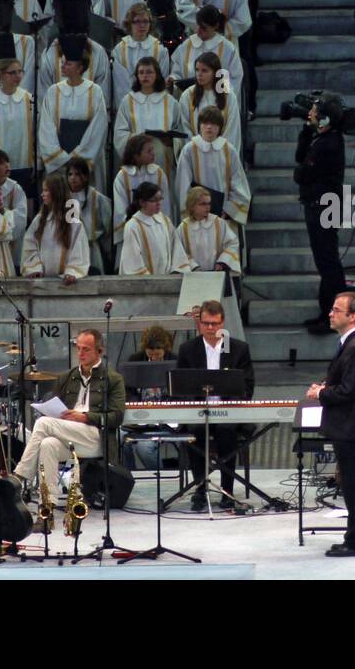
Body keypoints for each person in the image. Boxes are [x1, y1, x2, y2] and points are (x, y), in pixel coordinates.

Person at [12, 329, 126, 511]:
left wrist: (85, 416)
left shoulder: (113, 379)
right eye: (78, 348)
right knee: (47, 444)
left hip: (96, 436)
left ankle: (18, 477)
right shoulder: (68, 377)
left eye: (86, 349)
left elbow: (117, 417)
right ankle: (47, 507)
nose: (80, 353)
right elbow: (56, 406)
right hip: (69, 434)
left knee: (43, 424)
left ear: (99, 351)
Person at [307, 291, 355, 556]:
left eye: (336, 309)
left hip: (349, 425)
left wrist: (320, 394)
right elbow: (347, 384)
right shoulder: (350, 343)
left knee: (354, 483)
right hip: (345, 424)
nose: (330, 313)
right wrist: (325, 386)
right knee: (351, 481)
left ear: (352, 315)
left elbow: (348, 391)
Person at [176, 299, 256, 511]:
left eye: (215, 323)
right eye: (206, 323)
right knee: (194, 431)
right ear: (199, 323)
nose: (210, 328)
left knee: (227, 431)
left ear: (223, 323)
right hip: (198, 412)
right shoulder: (187, 350)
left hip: (228, 413)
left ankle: (226, 490)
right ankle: (200, 487)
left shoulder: (238, 349)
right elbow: (180, 387)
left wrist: (231, 405)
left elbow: (247, 386)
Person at [294, 95, 345, 333]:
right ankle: (328, 312)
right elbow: (299, 158)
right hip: (319, 205)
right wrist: (306, 130)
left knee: (329, 263)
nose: (310, 115)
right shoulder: (322, 138)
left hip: (323, 207)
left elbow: (301, 173)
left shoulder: (328, 143)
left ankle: (336, 315)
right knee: (325, 263)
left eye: (314, 112)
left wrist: (303, 169)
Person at [37, 49, 109, 182]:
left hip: (85, 164)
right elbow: (46, 128)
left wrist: (79, 158)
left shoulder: (95, 91)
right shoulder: (53, 91)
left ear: (80, 67)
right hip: (60, 165)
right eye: (62, 62)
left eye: (67, 64)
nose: (62, 66)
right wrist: (60, 158)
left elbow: (98, 128)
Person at [174, 107, 251, 227]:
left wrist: (228, 209)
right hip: (197, 215)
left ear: (220, 127)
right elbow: (183, 185)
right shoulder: (189, 150)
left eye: (214, 124)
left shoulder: (229, 150)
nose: (209, 127)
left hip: (223, 215)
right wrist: (193, 209)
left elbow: (239, 183)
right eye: (205, 123)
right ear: (199, 125)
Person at [114, 55, 186, 180]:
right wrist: (139, 139)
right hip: (138, 156)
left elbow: (180, 130)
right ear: (136, 75)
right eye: (141, 72)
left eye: (149, 72)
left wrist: (172, 142)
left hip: (163, 158)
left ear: (157, 74)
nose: (144, 76)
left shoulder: (170, 101)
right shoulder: (128, 101)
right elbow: (120, 133)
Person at [170, 5, 245, 123]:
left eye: (204, 28)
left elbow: (234, 78)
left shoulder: (227, 49)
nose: (198, 30)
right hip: (192, 103)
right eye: (198, 25)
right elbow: (177, 70)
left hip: (217, 106)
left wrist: (216, 97)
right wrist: (173, 79)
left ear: (215, 26)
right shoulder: (187, 45)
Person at [22, 173, 88, 283]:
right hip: (42, 282)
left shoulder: (73, 222)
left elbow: (79, 251)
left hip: (66, 284)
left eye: (46, 190)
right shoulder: (39, 220)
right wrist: (34, 268)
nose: (42, 194)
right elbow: (30, 246)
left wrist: (72, 272)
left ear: (57, 192)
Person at [113, 133, 175, 243]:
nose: (153, 154)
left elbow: (165, 206)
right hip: (133, 231)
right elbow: (120, 209)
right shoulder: (123, 176)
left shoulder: (159, 173)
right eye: (149, 151)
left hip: (155, 231)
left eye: (153, 150)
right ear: (136, 155)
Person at [110, 3, 172, 112]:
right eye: (137, 21)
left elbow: (161, 81)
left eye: (145, 21)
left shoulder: (160, 50)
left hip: (153, 107)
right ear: (130, 24)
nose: (142, 25)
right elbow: (121, 85)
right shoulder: (119, 50)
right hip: (128, 108)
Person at [180, 51, 243, 156]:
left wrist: (219, 149)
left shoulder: (228, 96)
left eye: (204, 70)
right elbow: (184, 126)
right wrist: (197, 147)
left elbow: (232, 128)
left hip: (221, 153)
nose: (199, 74)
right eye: (197, 70)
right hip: (196, 152)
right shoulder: (187, 95)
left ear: (215, 72)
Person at [118, 182, 188, 276]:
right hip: (145, 284)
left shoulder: (164, 220)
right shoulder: (133, 226)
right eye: (154, 200)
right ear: (142, 202)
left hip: (167, 280)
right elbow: (132, 259)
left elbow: (176, 247)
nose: (159, 203)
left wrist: (176, 270)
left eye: (160, 199)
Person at [175, 185, 241, 275]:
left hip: (217, 272)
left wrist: (222, 261)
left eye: (209, 203)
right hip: (194, 274)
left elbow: (233, 243)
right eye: (203, 204)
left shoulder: (219, 223)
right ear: (192, 206)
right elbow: (179, 251)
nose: (207, 207)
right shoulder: (184, 228)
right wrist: (193, 266)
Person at [175, 0, 253, 46]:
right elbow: (182, 8)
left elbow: (244, 20)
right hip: (195, 41)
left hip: (225, 44)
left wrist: (220, 29)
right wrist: (207, 26)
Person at [65, 156, 112, 274]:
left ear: (85, 177)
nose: (73, 178)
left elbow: (108, 225)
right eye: (70, 174)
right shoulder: (64, 197)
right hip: (69, 250)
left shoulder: (97, 197)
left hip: (91, 250)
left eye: (77, 174)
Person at [37, 34, 111, 102]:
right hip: (57, 115)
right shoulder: (50, 53)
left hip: (90, 115)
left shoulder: (98, 52)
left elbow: (103, 100)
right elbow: (44, 99)